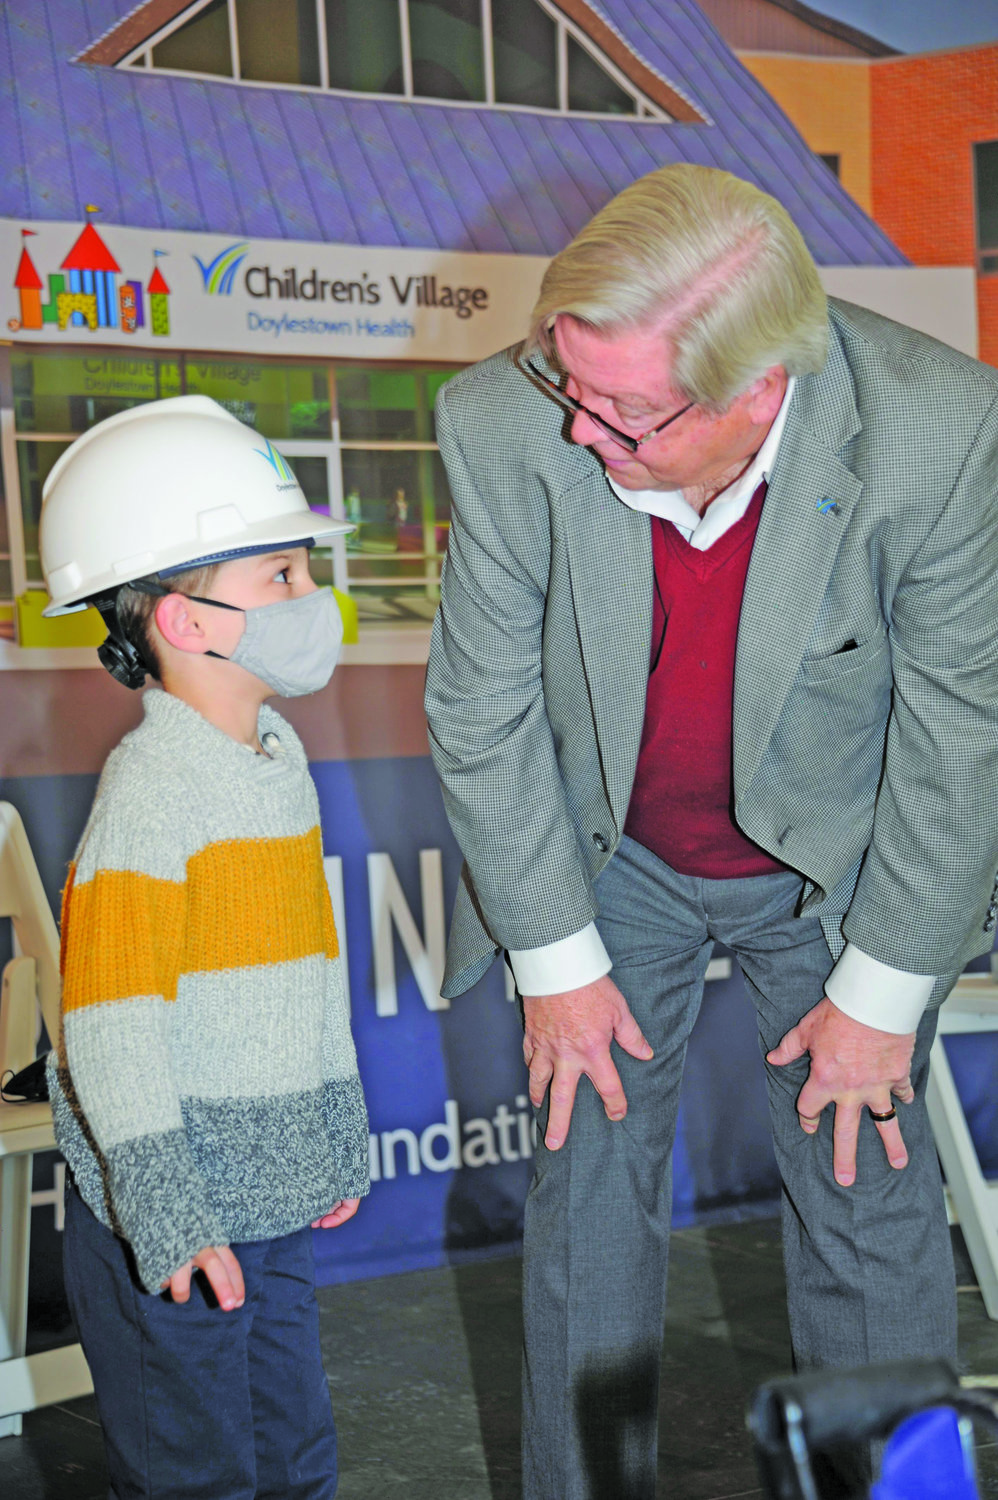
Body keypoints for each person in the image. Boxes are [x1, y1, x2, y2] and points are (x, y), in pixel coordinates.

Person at [423, 164, 998, 1499]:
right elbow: (483, 711)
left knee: (869, 1187)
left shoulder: (939, 432)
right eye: (571, 386)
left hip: (832, 863)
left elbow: (959, 736)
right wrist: (556, 973)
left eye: (622, 412)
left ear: (759, 389)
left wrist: (878, 997)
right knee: (584, 1185)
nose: (580, 433)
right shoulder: (510, 427)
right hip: (610, 853)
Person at [39, 395, 370, 1500]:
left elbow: (312, 974)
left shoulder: (276, 760)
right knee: (200, 1471)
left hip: (269, 1192)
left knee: (293, 1454)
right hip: (169, 1210)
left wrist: (334, 1133)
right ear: (185, 621)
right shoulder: (150, 794)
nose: (308, 600)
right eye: (279, 577)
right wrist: (170, 1217)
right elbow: (110, 1034)